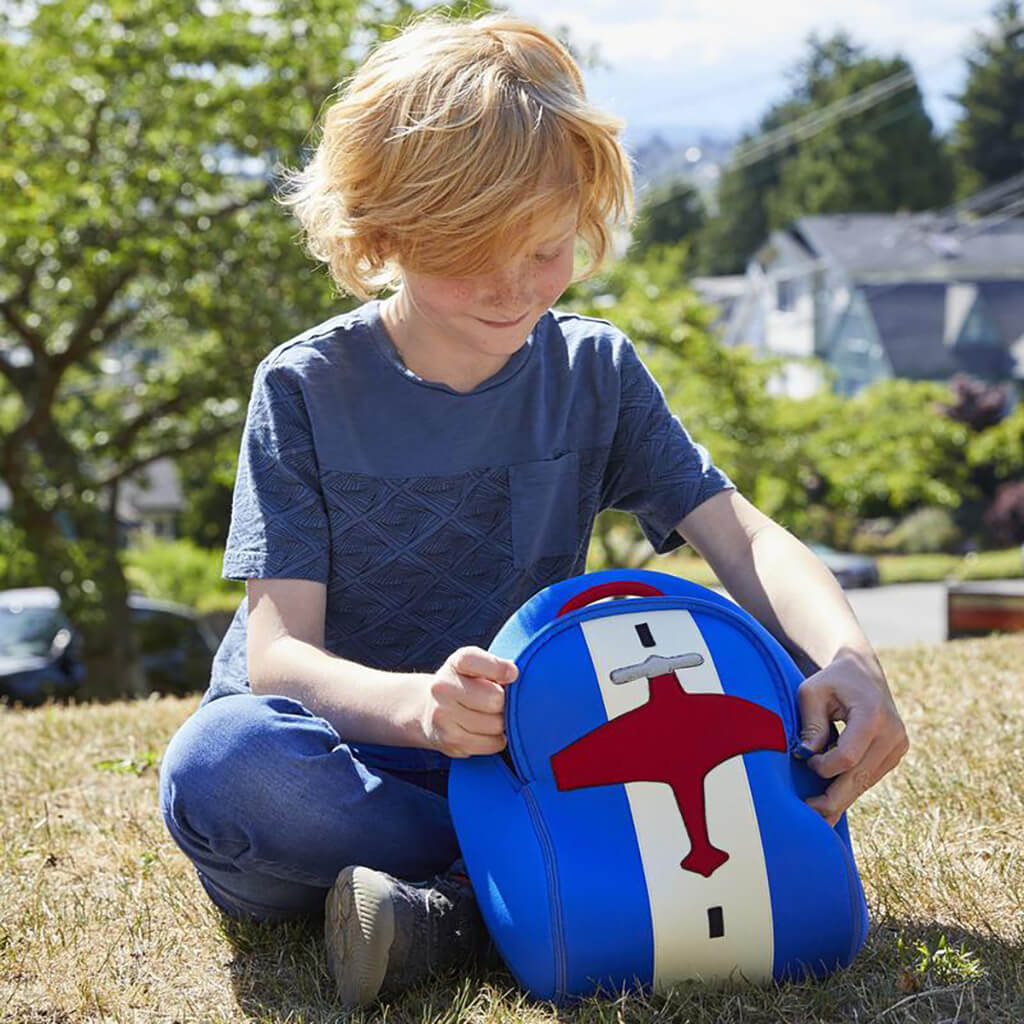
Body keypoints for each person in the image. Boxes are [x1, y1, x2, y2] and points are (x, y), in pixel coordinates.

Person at [158, 11, 908, 1009]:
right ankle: (519, 883)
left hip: (528, 760)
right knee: (222, 771)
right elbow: (277, 656)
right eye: (473, 251)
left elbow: (739, 532)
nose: (514, 288)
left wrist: (847, 660)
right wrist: (420, 709)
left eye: (548, 249)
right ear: (379, 231)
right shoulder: (301, 387)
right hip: (352, 763)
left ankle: (453, 912)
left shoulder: (591, 369)